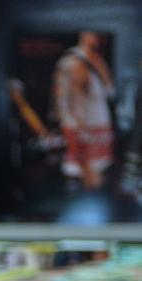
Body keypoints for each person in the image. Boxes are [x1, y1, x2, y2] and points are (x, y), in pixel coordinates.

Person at [52, 31, 115, 191]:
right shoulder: (74, 62)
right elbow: (71, 99)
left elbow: (109, 90)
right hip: (85, 129)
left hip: (96, 128)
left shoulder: (97, 60)